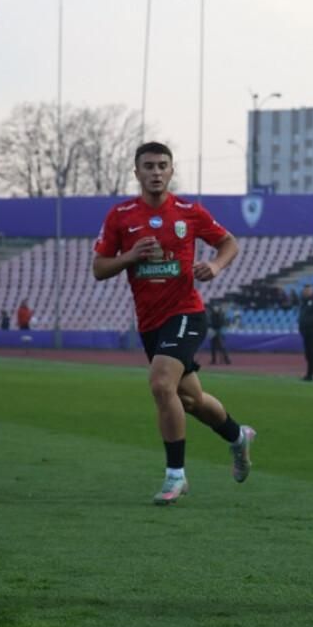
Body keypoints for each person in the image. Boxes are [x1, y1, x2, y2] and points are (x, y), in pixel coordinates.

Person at [91, 141, 255, 504]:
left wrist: (215, 265)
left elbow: (228, 242)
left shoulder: (188, 212)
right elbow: (99, 268)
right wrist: (130, 256)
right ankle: (237, 436)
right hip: (150, 322)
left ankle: (175, 476)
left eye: (162, 165)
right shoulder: (120, 216)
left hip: (186, 312)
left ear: (171, 171)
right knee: (191, 400)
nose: (156, 172)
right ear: (136, 172)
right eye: (149, 166)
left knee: (161, 384)